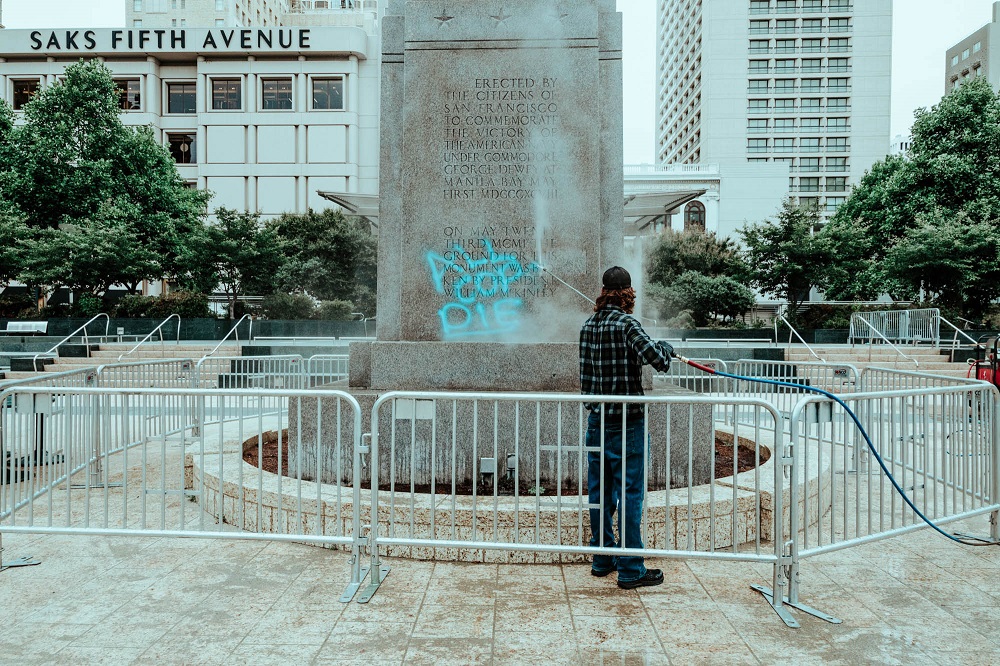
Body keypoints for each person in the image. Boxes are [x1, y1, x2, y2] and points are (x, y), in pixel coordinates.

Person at [579, 266, 673, 589]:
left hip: (596, 421)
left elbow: (585, 382)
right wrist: (666, 348)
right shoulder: (628, 325)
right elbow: (658, 360)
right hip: (628, 423)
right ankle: (631, 566)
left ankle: (602, 557)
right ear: (627, 294)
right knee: (631, 493)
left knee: (600, 492)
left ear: (604, 292)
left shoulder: (588, 327)